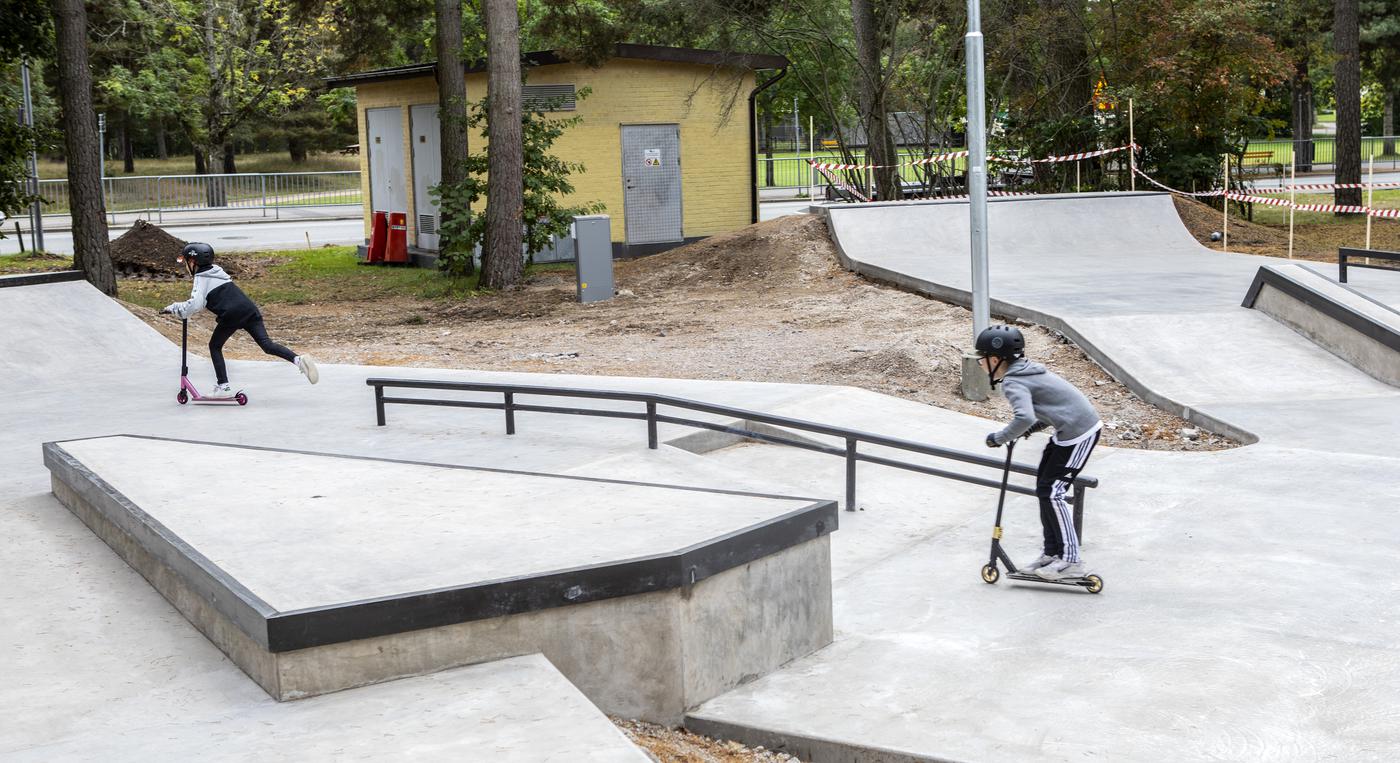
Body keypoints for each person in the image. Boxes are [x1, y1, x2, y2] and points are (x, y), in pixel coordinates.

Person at [976, 324, 1101, 581]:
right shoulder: (1025, 372)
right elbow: (1051, 407)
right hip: (1067, 431)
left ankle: (1071, 561)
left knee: (1054, 493)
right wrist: (1029, 430)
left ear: (996, 359)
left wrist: (1000, 438)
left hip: (1080, 433)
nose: (980, 364)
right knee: (1045, 489)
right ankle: (1052, 553)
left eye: (982, 358)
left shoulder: (1012, 382)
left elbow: (1024, 415)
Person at [162, 242, 318, 395]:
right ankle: (298, 360)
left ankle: (223, 386)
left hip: (232, 314)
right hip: (249, 309)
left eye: (186, 262)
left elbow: (195, 305)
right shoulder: (217, 271)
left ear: (192, 261)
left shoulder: (201, 278)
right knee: (267, 345)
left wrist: (174, 308)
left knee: (214, 346)